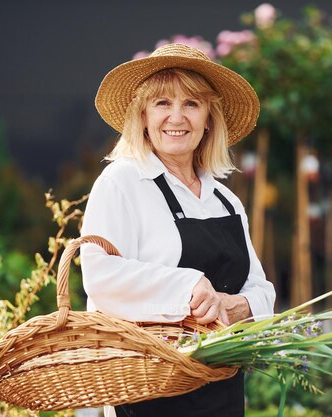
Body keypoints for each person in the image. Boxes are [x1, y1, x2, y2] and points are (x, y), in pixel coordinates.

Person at [80, 43, 276, 417]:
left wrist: (237, 307)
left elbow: (261, 288)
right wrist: (190, 286)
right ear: (142, 117)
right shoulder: (122, 181)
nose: (177, 117)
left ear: (208, 119)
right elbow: (99, 274)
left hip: (222, 392)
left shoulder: (225, 199)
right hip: (146, 394)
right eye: (162, 104)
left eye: (191, 104)